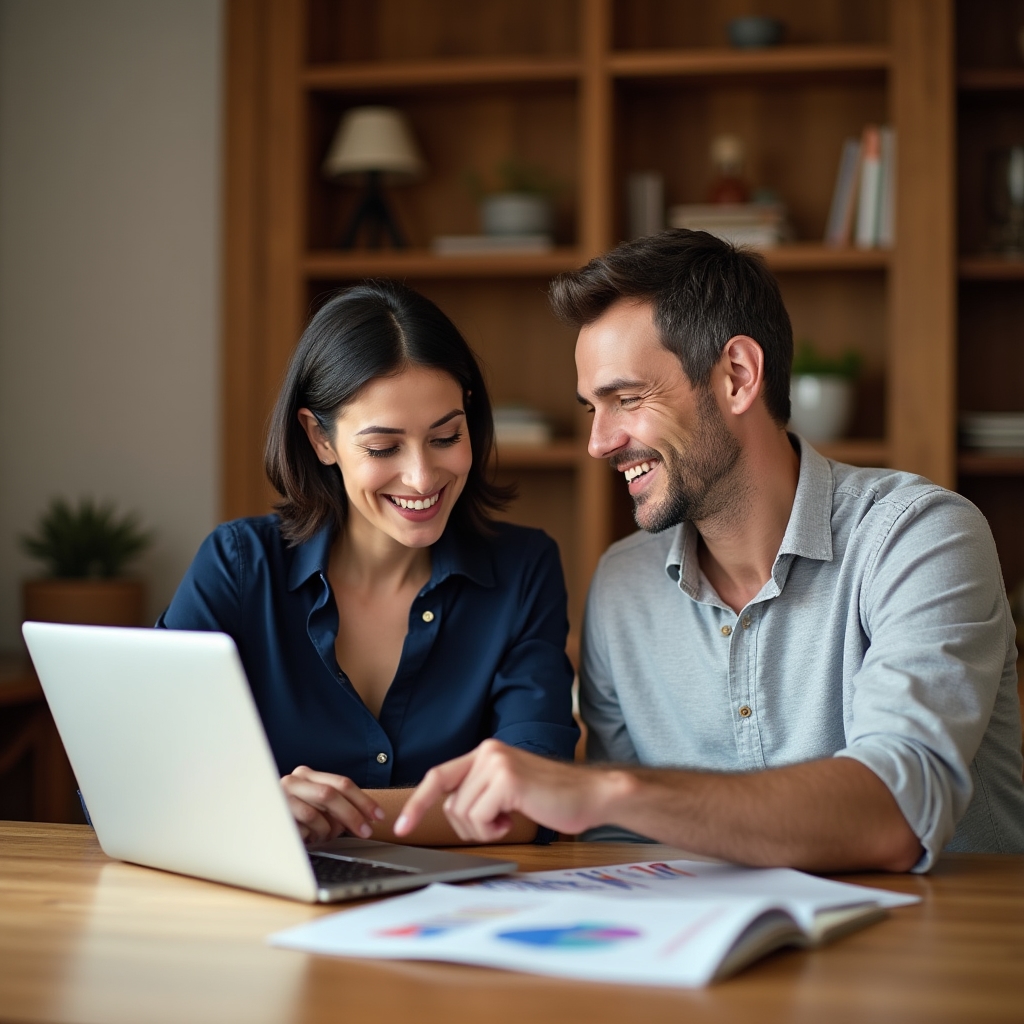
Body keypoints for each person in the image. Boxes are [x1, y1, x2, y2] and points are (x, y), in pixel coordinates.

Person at [395, 230, 1024, 872]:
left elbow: (896, 812)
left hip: (937, 952)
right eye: (591, 408)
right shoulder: (623, 586)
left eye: (627, 399)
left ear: (737, 376)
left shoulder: (921, 538)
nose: (599, 442)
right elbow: (632, 850)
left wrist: (606, 789)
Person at [159, 280, 578, 845]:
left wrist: (312, 817)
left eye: (445, 436)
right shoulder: (238, 567)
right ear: (320, 439)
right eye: (383, 448)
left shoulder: (525, 568)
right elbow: (141, 780)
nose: (423, 478)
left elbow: (537, 798)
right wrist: (248, 809)